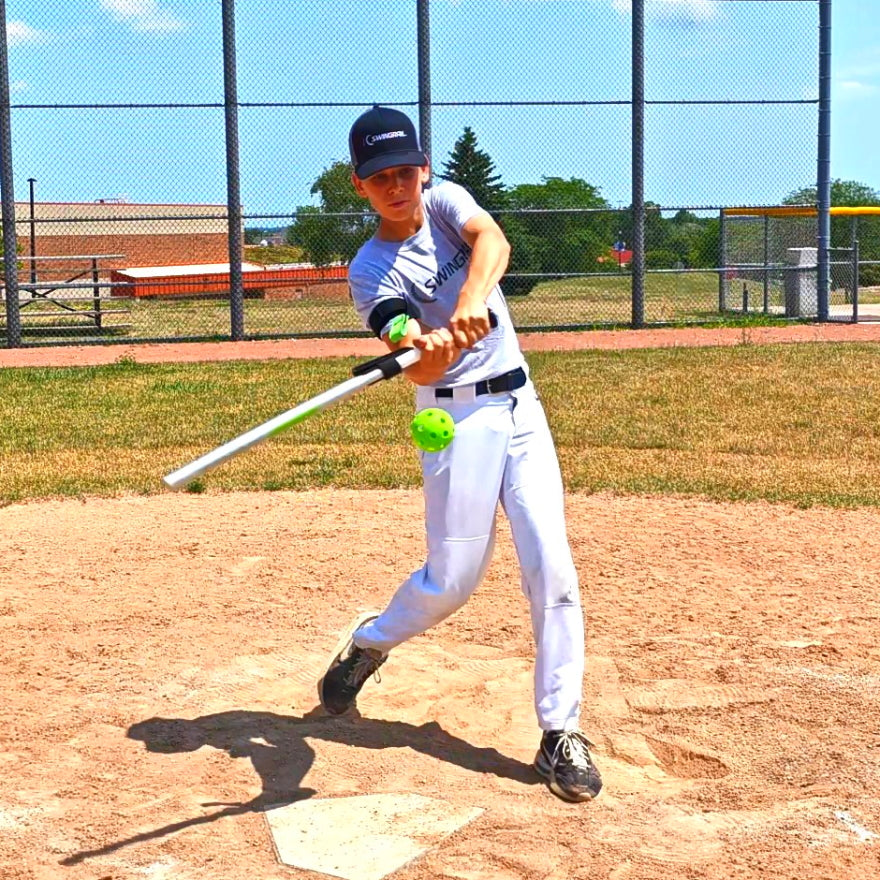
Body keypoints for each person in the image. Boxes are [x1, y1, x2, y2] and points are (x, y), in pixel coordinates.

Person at [317, 105, 602, 803]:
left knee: (553, 569)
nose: (396, 184)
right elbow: (410, 363)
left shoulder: (446, 203)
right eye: (379, 176)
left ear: (423, 168)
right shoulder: (369, 270)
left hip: (520, 405)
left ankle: (559, 731)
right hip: (454, 417)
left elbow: (493, 242)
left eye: (405, 169)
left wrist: (473, 298)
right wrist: (427, 346)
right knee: (453, 581)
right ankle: (372, 641)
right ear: (360, 185)